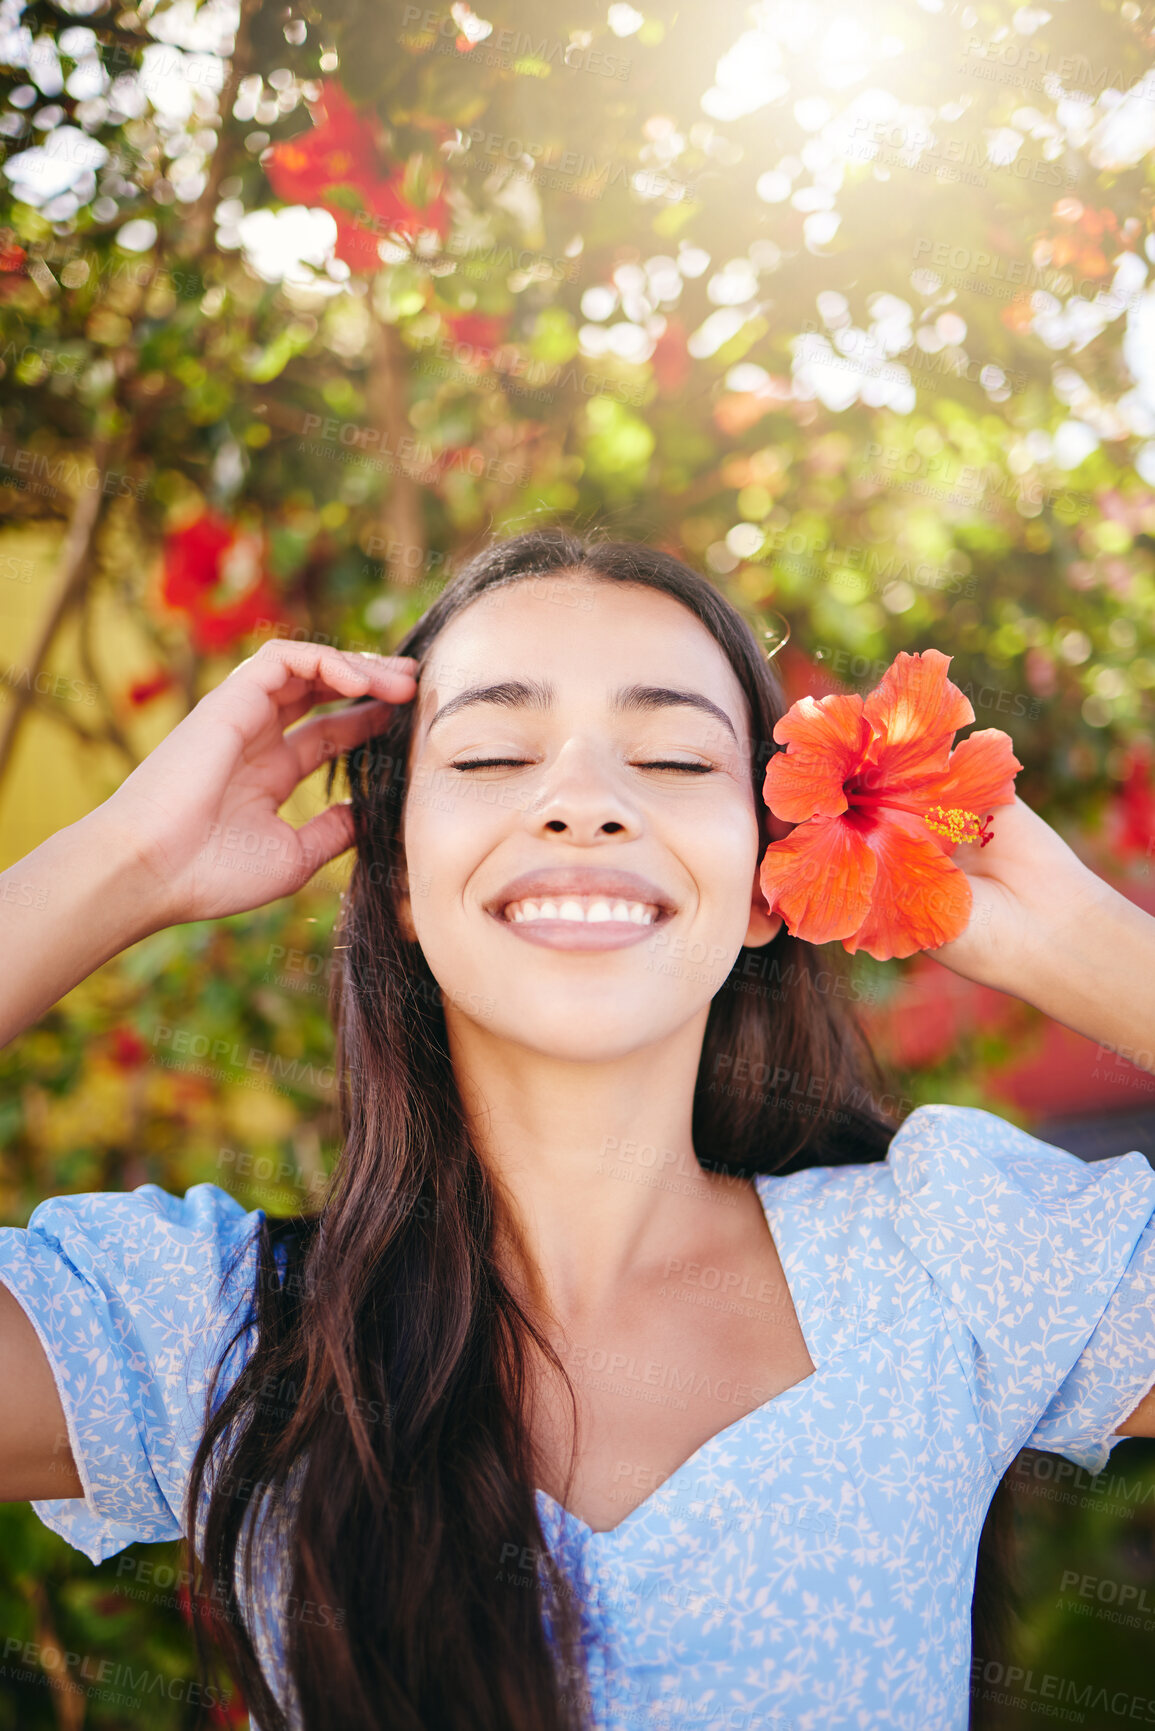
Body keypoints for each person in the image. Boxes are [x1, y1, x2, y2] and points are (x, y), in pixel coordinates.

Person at [1, 528, 1153, 1731]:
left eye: (669, 756)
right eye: (495, 754)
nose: (586, 803)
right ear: (397, 878)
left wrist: (1085, 945)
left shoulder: (955, 1260)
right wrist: (121, 862)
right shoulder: (223, 1330)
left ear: (771, 885)